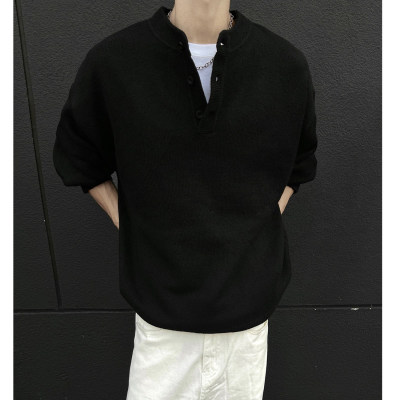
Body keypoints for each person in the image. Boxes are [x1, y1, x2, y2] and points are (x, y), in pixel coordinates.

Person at [52, 1, 318, 398]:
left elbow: (300, 162)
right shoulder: (115, 62)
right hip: (161, 329)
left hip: (247, 331)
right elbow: (78, 156)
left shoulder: (284, 65)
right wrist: (133, 225)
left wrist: (259, 223)